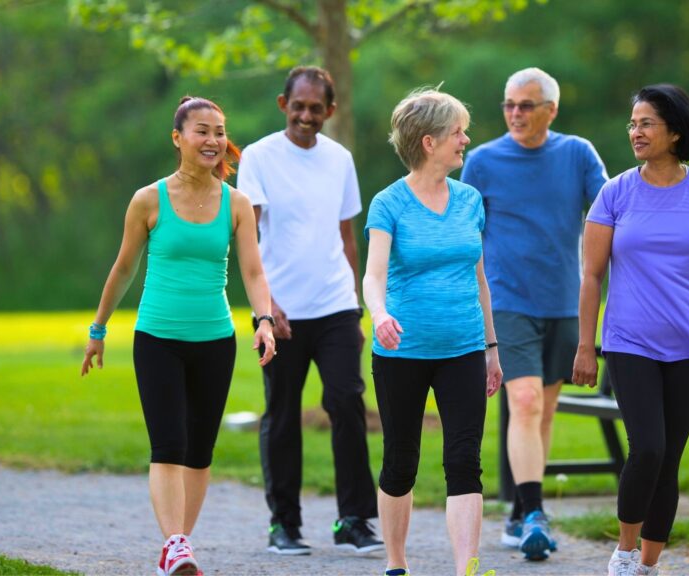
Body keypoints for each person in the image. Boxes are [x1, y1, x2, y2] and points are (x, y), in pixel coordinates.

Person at [81, 96, 276, 576]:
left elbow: (252, 270)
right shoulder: (149, 199)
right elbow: (124, 268)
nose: (212, 140)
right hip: (158, 338)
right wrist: (98, 329)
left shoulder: (238, 203)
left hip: (215, 340)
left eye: (218, 132)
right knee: (169, 443)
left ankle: (178, 544)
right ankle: (175, 545)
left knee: (200, 450)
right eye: (201, 131)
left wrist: (264, 320)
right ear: (178, 138)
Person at [571, 84, 689, 576]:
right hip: (629, 341)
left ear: (675, 132)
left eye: (646, 123)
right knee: (648, 447)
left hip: (688, 344)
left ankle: (647, 565)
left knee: (669, 458)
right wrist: (587, 345)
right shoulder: (615, 192)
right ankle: (623, 554)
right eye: (633, 123)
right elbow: (592, 275)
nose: (635, 132)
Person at [460, 67, 608, 561]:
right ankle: (536, 516)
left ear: (552, 109)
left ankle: (521, 510)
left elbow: (609, 211)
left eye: (526, 105)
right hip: (507, 301)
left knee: (541, 411)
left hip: (564, 302)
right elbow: (465, 235)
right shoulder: (481, 162)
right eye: (508, 105)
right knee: (523, 402)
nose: (515, 114)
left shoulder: (577, 154)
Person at [235, 66, 382, 556]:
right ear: (283, 105)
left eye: (315, 108)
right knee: (281, 414)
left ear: (330, 112)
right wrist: (266, 306)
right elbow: (247, 238)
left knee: (346, 403)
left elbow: (347, 238)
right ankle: (284, 523)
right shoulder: (258, 156)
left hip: (336, 305)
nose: (305, 115)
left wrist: (358, 306)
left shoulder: (340, 159)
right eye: (297, 106)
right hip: (280, 313)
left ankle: (354, 519)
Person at [363, 88, 503, 576]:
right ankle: (396, 564)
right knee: (401, 460)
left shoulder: (470, 200)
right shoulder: (389, 203)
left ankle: (467, 567)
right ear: (429, 141)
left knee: (464, 460)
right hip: (402, 352)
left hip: (464, 348)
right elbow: (373, 275)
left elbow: (480, 278)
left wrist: (491, 347)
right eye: (457, 132)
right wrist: (379, 314)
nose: (466, 139)